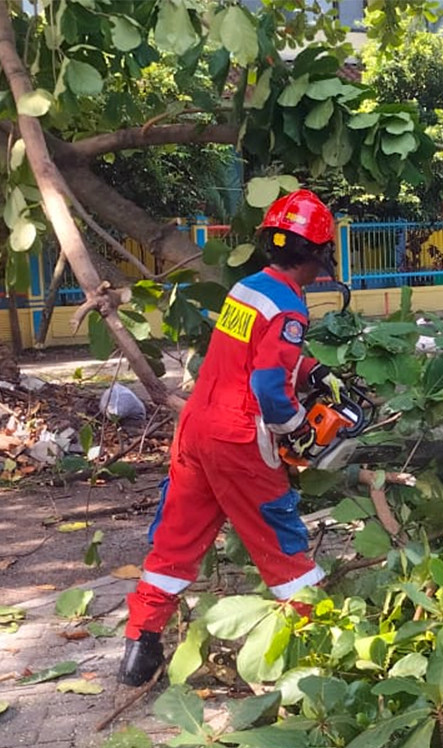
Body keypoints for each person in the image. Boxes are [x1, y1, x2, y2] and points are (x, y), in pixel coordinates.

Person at [118, 189, 342, 686]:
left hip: (197, 427)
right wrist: (297, 429)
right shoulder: (289, 308)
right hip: (239, 438)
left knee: (176, 539)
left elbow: (241, 355)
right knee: (282, 541)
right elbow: (265, 384)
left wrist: (309, 369)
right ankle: (319, 645)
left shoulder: (247, 290)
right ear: (318, 255)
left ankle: (140, 647)